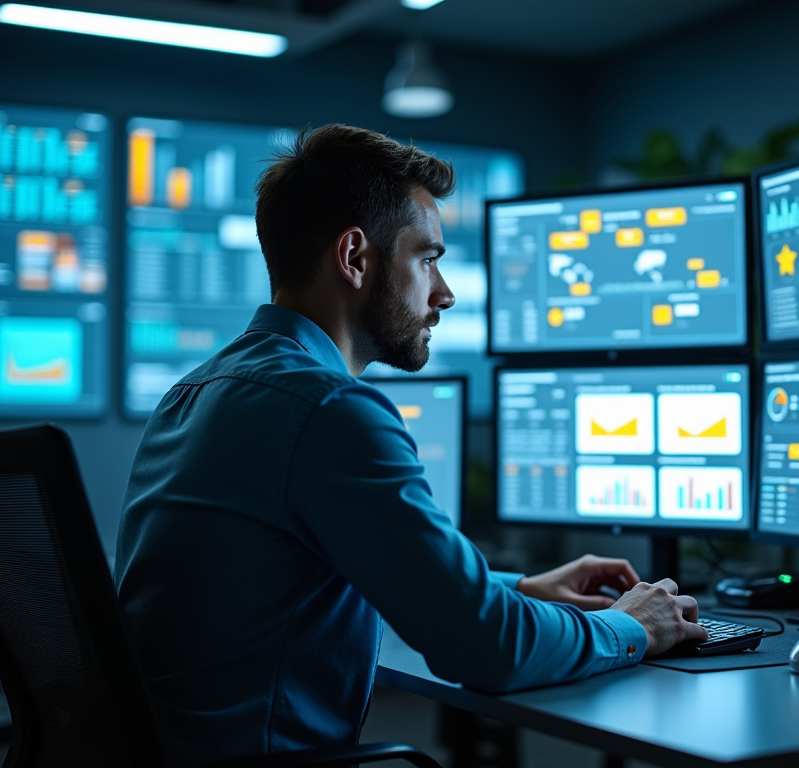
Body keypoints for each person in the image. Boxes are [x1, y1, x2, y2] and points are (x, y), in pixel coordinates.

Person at [114, 124, 708, 767]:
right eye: (428, 258)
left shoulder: (196, 391)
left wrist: (522, 587)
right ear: (355, 257)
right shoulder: (329, 409)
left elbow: (335, 570)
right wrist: (633, 627)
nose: (444, 292)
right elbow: (486, 651)